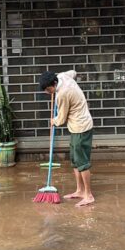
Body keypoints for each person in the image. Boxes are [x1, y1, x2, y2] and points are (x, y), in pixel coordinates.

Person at [39, 70, 95, 207]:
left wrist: (54, 121)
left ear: (53, 84)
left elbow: (62, 119)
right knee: (75, 161)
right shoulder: (61, 76)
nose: (47, 93)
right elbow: (74, 72)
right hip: (76, 127)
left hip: (81, 127)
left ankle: (89, 195)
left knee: (82, 162)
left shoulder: (62, 95)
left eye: (48, 90)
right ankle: (80, 190)